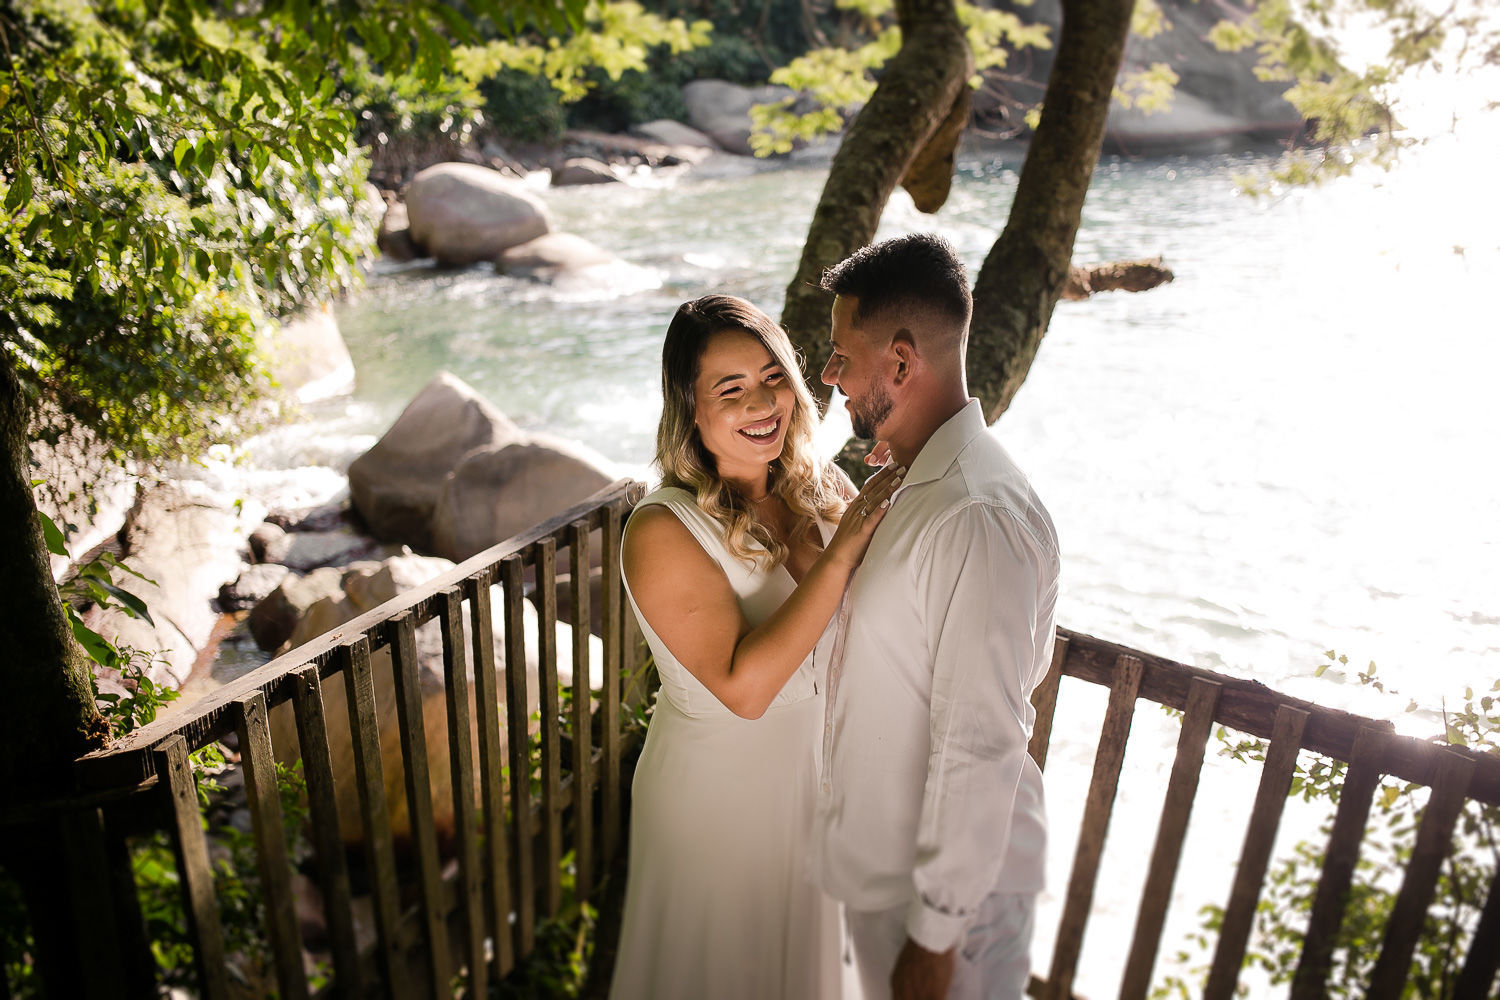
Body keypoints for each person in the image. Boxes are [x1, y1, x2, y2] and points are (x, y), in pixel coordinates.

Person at [609, 294, 905, 1000]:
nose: (762, 402)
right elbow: (743, 689)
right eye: (731, 389)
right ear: (692, 412)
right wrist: (845, 550)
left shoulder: (819, 485)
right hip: (719, 801)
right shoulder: (661, 530)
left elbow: (872, 612)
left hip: (813, 782)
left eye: (772, 377)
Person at [811, 233, 1060, 1000]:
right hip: (886, 873)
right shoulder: (911, 478)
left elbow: (980, 737)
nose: (828, 376)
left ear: (900, 362)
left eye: (840, 356)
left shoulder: (975, 516)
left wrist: (937, 932)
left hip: (952, 909)